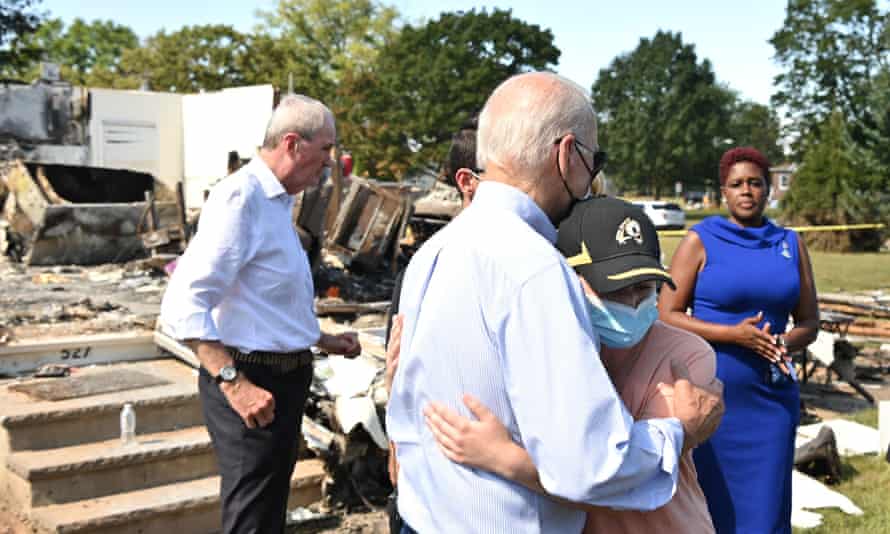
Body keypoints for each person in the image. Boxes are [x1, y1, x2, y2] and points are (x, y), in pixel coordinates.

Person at [385, 71, 724, 533]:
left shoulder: (434, 251)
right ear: (568, 155)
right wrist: (679, 430)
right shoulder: (535, 267)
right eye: (594, 160)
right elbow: (590, 464)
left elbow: (407, 415)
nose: (592, 179)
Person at [412, 196, 719, 533]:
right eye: (614, 291)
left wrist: (504, 458)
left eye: (644, 288)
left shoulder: (687, 356)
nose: (633, 304)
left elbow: (614, 477)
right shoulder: (545, 344)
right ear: (566, 279)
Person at [159, 94, 362, 534]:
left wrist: (320, 338)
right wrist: (235, 385)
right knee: (252, 517)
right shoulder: (241, 198)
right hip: (252, 381)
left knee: (266, 510)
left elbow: (261, 299)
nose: (331, 162)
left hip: (282, 381)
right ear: (293, 143)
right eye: (326, 149)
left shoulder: (276, 201)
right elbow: (184, 303)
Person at [658, 146, 819, 533]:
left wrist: (781, 341)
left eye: (755, 183)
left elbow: (810, 322)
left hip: (772, 399)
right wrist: (734, 335)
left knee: (766, 512)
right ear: (723, 191)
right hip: (713, 400)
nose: (746, 191)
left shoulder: (790, 243)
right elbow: (666, 314)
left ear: (768, 190)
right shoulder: (700, 240)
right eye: (736, 184)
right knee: (713, 509)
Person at [384, 121, 481, 533]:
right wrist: (396, 446)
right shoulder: (431, 263)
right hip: (434, 493)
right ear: (468, 183)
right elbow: (397, 363)